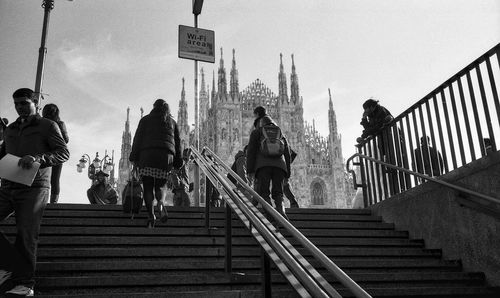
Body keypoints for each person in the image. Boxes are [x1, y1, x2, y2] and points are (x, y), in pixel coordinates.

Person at [0, 88, 69, 296]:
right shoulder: (10, 129)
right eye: (16, 104)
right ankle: (9, 265)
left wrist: (39, 159)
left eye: (24, 103)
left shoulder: (48, 125)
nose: (20, 107)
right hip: (9, 185)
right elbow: (3, 155)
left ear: (35, 102)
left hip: (35, 187)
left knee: (26, 234)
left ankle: (26, 284)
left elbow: (63, 152)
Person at [129, 99, 182, 228]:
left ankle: (151, 214)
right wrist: (178, 163)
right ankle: (161, 203)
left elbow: (137, 140)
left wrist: (133, 158)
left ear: (154, 107)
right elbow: (178, 144)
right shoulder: (172, 123)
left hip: (147, 157)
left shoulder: (145, 120)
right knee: (161, 186)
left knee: (148, 187)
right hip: (165, 159)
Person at [247, 106, 291, 221]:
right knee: (278, 193)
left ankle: (271, 218)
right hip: (280, 167)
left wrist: (250, 171)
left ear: (257, 117)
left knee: (264, 193)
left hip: (263, 167)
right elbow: (287, 153)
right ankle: (281, 212)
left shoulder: (257, 132)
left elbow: (251, 152)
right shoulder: (279, 132)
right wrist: (288, 173)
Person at [42, 104, 69, 204]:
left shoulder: (42, 123)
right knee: (55, 179)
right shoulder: (60, 123)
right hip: (57, 154)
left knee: (43, 178)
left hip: (45, 154)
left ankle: (42, 201)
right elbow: (66, 139)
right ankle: (53, 203)